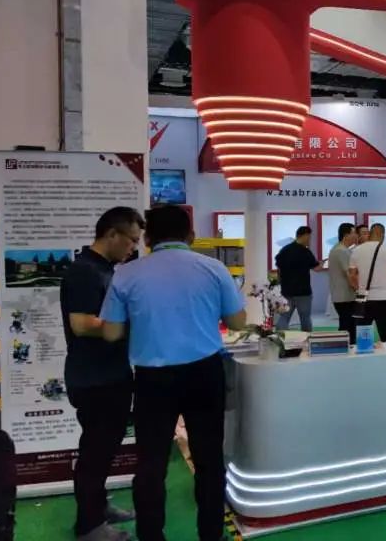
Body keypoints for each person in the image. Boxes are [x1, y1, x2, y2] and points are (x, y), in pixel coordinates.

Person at [100, 206, 246, 541]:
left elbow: (110, 333)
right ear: (190, 236)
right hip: (205, 374)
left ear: (147, 239)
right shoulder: (214, 268)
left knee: (150, 464)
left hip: (152, 379)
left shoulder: (126, 274)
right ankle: (211, 534)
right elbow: (237, 321)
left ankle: (151, 535)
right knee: (209, 460)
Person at [61, 207, 143, 541]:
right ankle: (89, 526)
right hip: (94, 379)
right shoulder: (84, 271)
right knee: (95, 454)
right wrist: (131, 325)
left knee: (104, 450)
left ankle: (98, 506)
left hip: (111, 375)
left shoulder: (106, 270)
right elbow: (81, 324)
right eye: (131, 240)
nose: (133, 248)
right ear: (112, 234)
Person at [349, 223, 386, 342]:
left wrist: (358, 289)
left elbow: (351, 275)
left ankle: (364, 352)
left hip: (363, 297)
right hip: (385, 298)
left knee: (363, 334)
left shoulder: (356, 251)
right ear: (382, 235)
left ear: (370, 234)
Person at [274, 226, 321, 332]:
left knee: (284, 317)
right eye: (309, 237)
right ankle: (307, 339)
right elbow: (316, 268)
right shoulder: (306, 252)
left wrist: (281, 282)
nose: (309, 240)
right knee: (305, 318)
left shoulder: (284, 250)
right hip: (303, 292)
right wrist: (321, 263)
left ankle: (280, 337)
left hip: (286, 291)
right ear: (305, 236)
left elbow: (279, 268)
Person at [328, 222, 360, 340]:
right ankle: (346, 347)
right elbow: (350, 274)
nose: (356, 235)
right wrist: (358, 289)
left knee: (348, 325)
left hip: (343, 296)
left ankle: (346, 346)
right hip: (345, 296)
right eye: (354, 233)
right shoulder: (341, 251)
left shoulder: (340, 249)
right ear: (346, 235)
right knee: (348, 326)